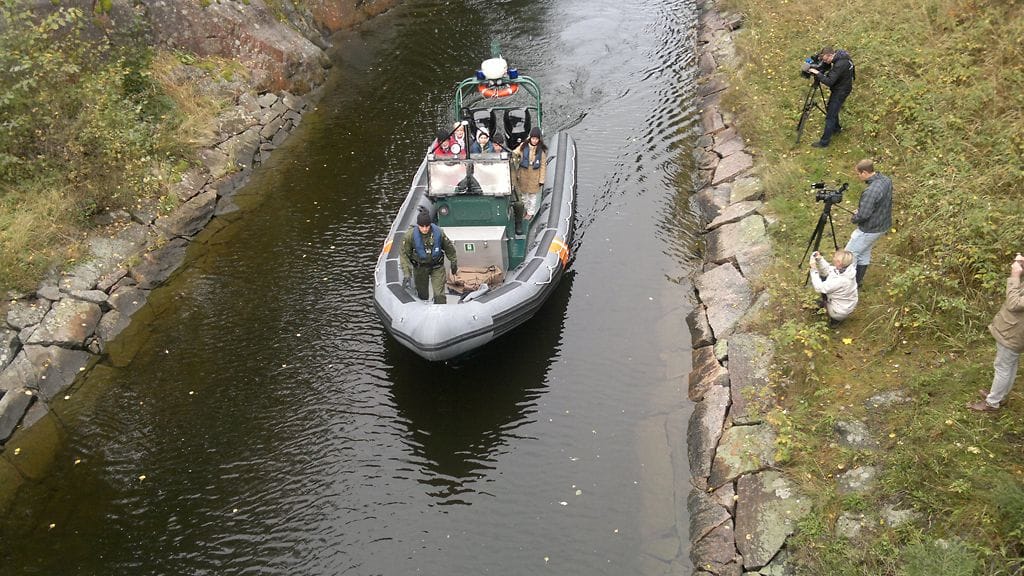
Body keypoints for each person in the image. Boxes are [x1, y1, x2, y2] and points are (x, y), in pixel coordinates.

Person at [968, 254, 1024, 412]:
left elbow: (1014, 303)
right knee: (1009, 365)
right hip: (1014, 331)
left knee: (1003, 367)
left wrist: (1015, 275)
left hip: (1013, 333)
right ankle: (1000, 395)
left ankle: (992, 403)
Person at [844, 159, 892, 287]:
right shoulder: (886, 180)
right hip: (882, 225)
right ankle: (857, 283)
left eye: (858, 174)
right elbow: (879, 203)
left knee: (849, 255)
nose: (858, 176)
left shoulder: (871, 191)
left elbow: (863, 215)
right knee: (863, 253)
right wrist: (863, 209)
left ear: (864, 172)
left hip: (869, 229)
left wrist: (854, 217)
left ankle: (847, 285)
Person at [401, 210, 458, 304]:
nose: (424, 229)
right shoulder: (409, 236)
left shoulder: (439, 233)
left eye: (427, 226)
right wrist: (407, 273)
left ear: (430, 225)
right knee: (422, 295)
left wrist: (453, 262)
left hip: (437, 266)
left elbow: (449, 248)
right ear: (418, 225)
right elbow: (404, 255)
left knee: (439, 295)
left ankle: (441, 309)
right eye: (422, 226)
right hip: (420, 268)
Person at [807, 46, 855, 148]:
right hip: (842, 87)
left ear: (830, 55)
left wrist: (817, 73)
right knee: (831, 109)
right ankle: (836, 129)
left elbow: (829, 81)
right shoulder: (841, 55)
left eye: (825, 60)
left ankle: (824, 142)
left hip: (841, 91)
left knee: (830, 116)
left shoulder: (840, 65)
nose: (825, 62)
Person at [809, 249, 858, 323]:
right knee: (824, 277)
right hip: (847, 305)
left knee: (817, 301)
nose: (833, 258)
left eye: (835, 257)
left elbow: (819, 288)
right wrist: (820, 260)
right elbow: (829, 270)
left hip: (839, 311)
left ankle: (834, 320)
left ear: (839, 262)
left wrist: (814, 269)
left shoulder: (840, 281)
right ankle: (834, 313)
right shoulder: (848, 270)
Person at [513, 126, 547, 219]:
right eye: (533, 138)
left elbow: (543, 166)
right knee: (524, 196)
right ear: (530, 138)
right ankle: (524, 210)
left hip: (534, 176)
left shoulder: (541, 151)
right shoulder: (523, 146)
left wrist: (541, 180)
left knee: (532, 196)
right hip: (523, 175)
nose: (534, 141)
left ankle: (530, 212)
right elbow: (515, 152)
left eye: (536, 139)